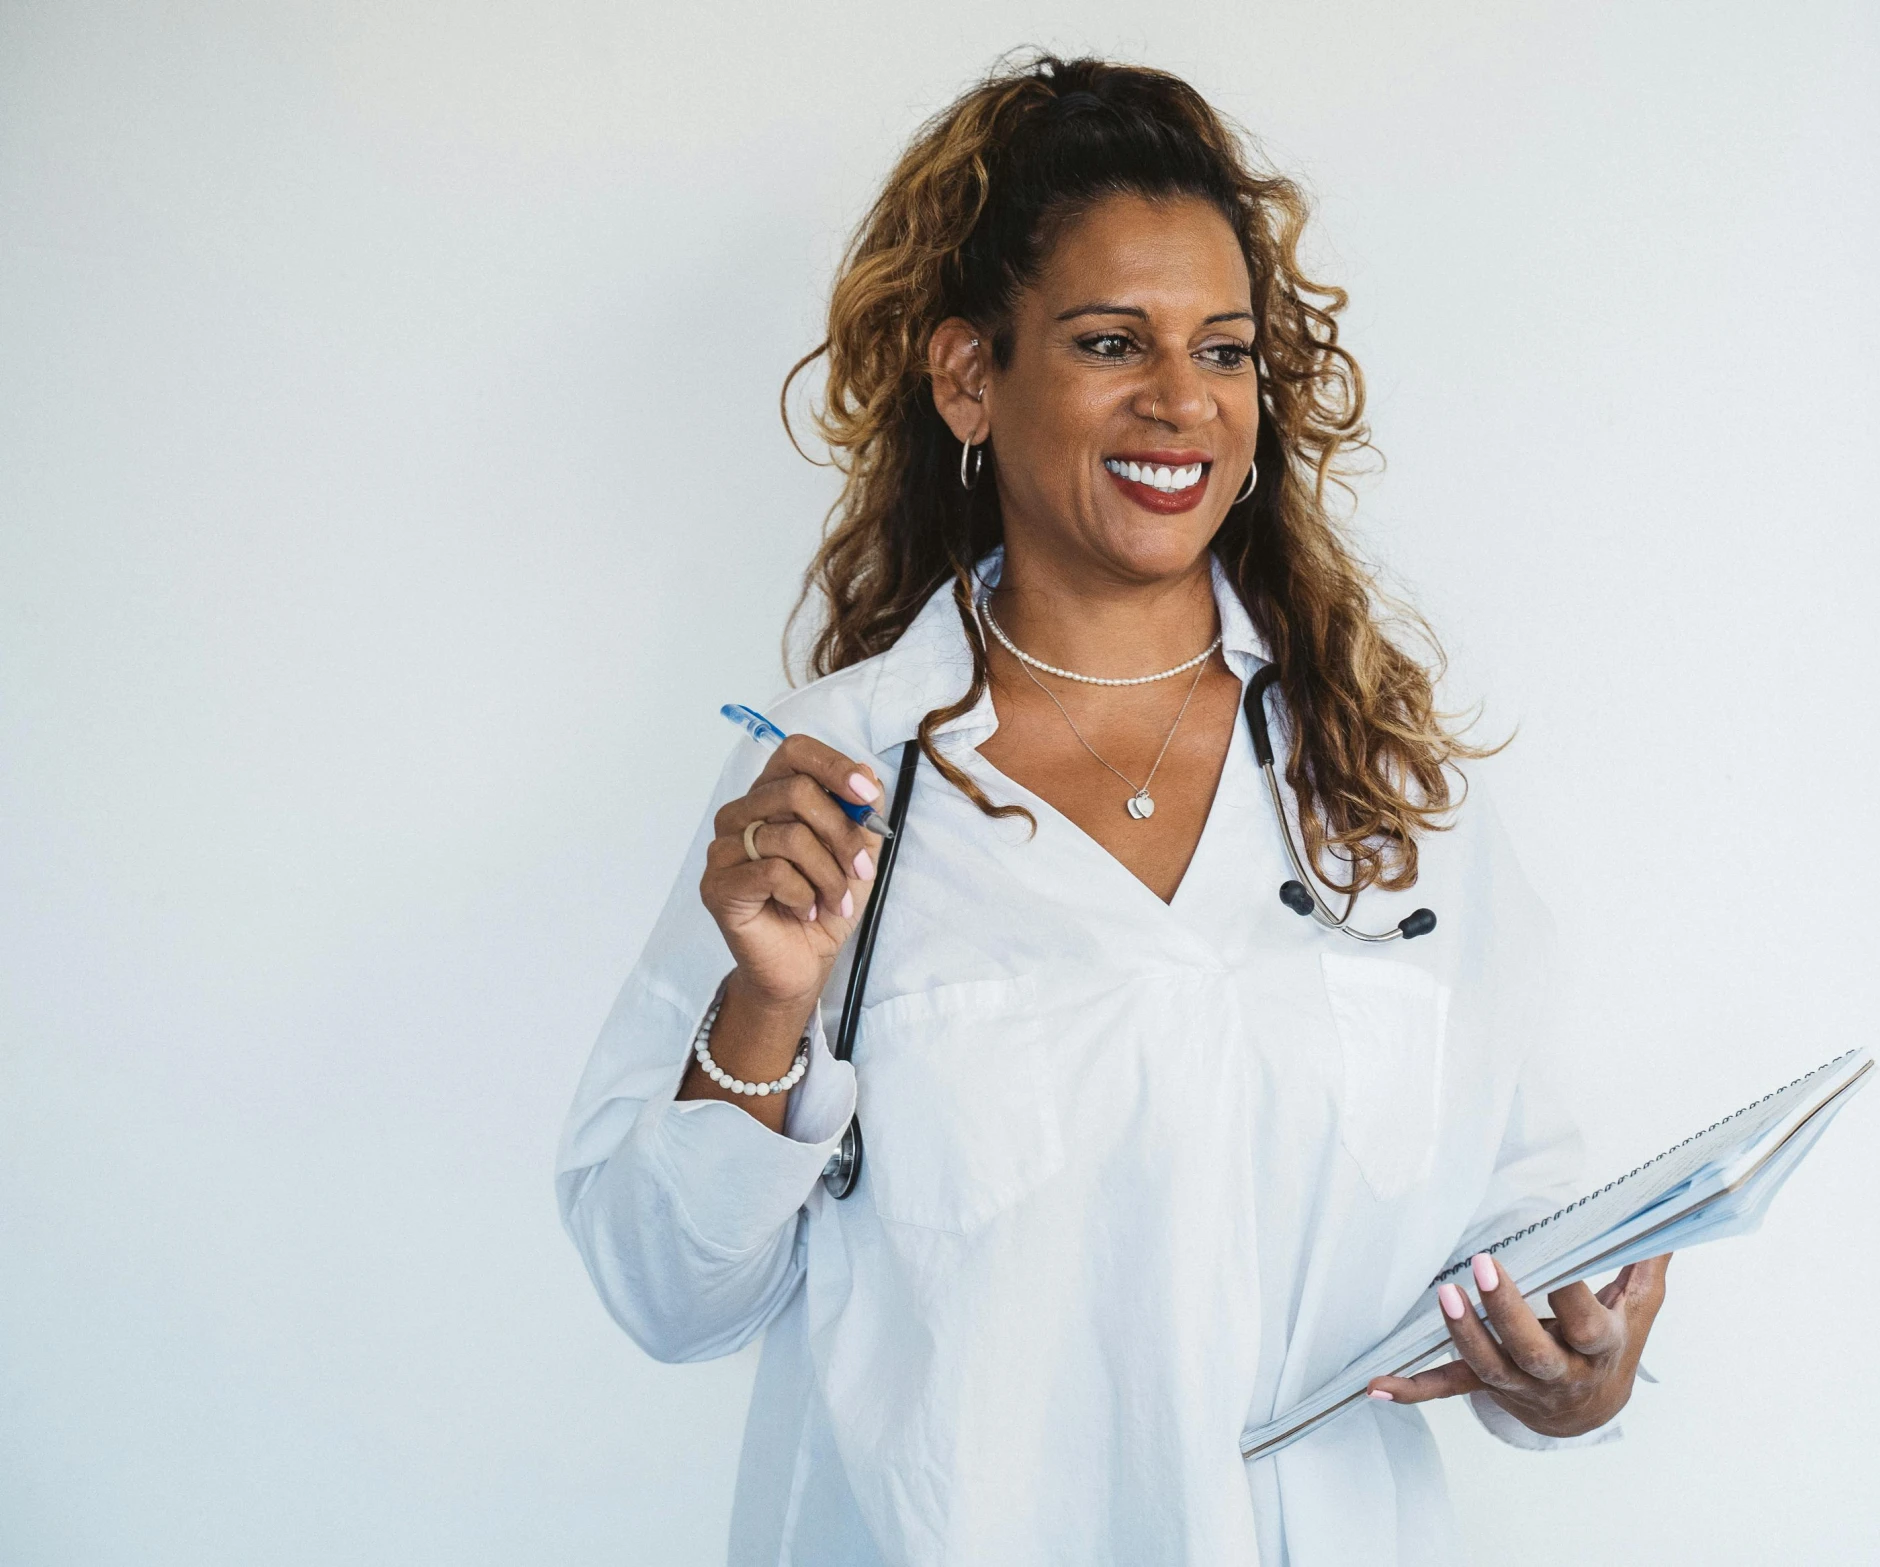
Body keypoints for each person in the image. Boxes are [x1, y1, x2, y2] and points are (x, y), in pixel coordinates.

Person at [556, 53, 1668, 1567]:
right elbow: (664, 1290)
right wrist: (762, 1009)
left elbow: (1525, 1215)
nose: (1179, 403)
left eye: (1222, 349)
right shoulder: (836, 778)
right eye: (1106, 341)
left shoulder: (1373, 778)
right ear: (968, 376)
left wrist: (1576, 1370)